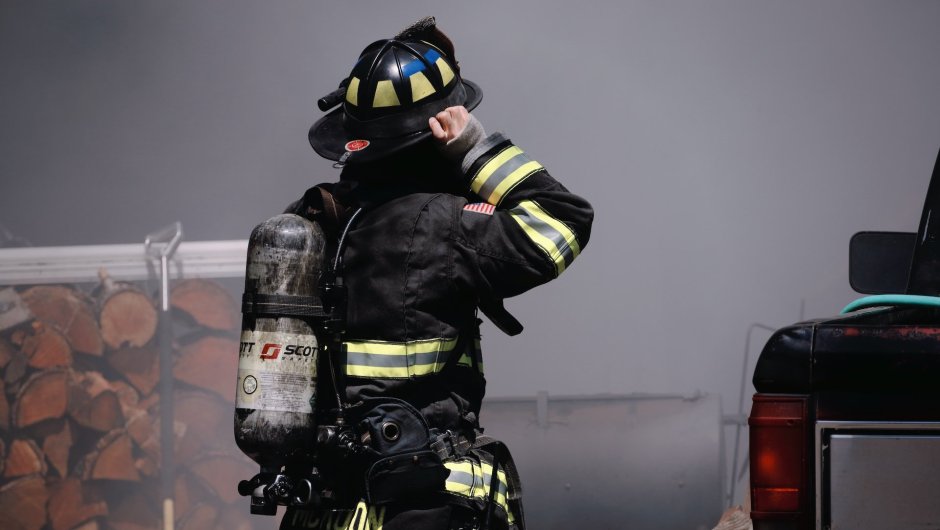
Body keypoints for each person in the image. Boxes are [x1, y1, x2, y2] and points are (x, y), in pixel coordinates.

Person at [280, 17, 593, 530]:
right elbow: (563, 222)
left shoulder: (307, 223)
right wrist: (476, 151)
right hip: (422, 502)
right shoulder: (443, 226)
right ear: (435, 132)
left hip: (320, 508)